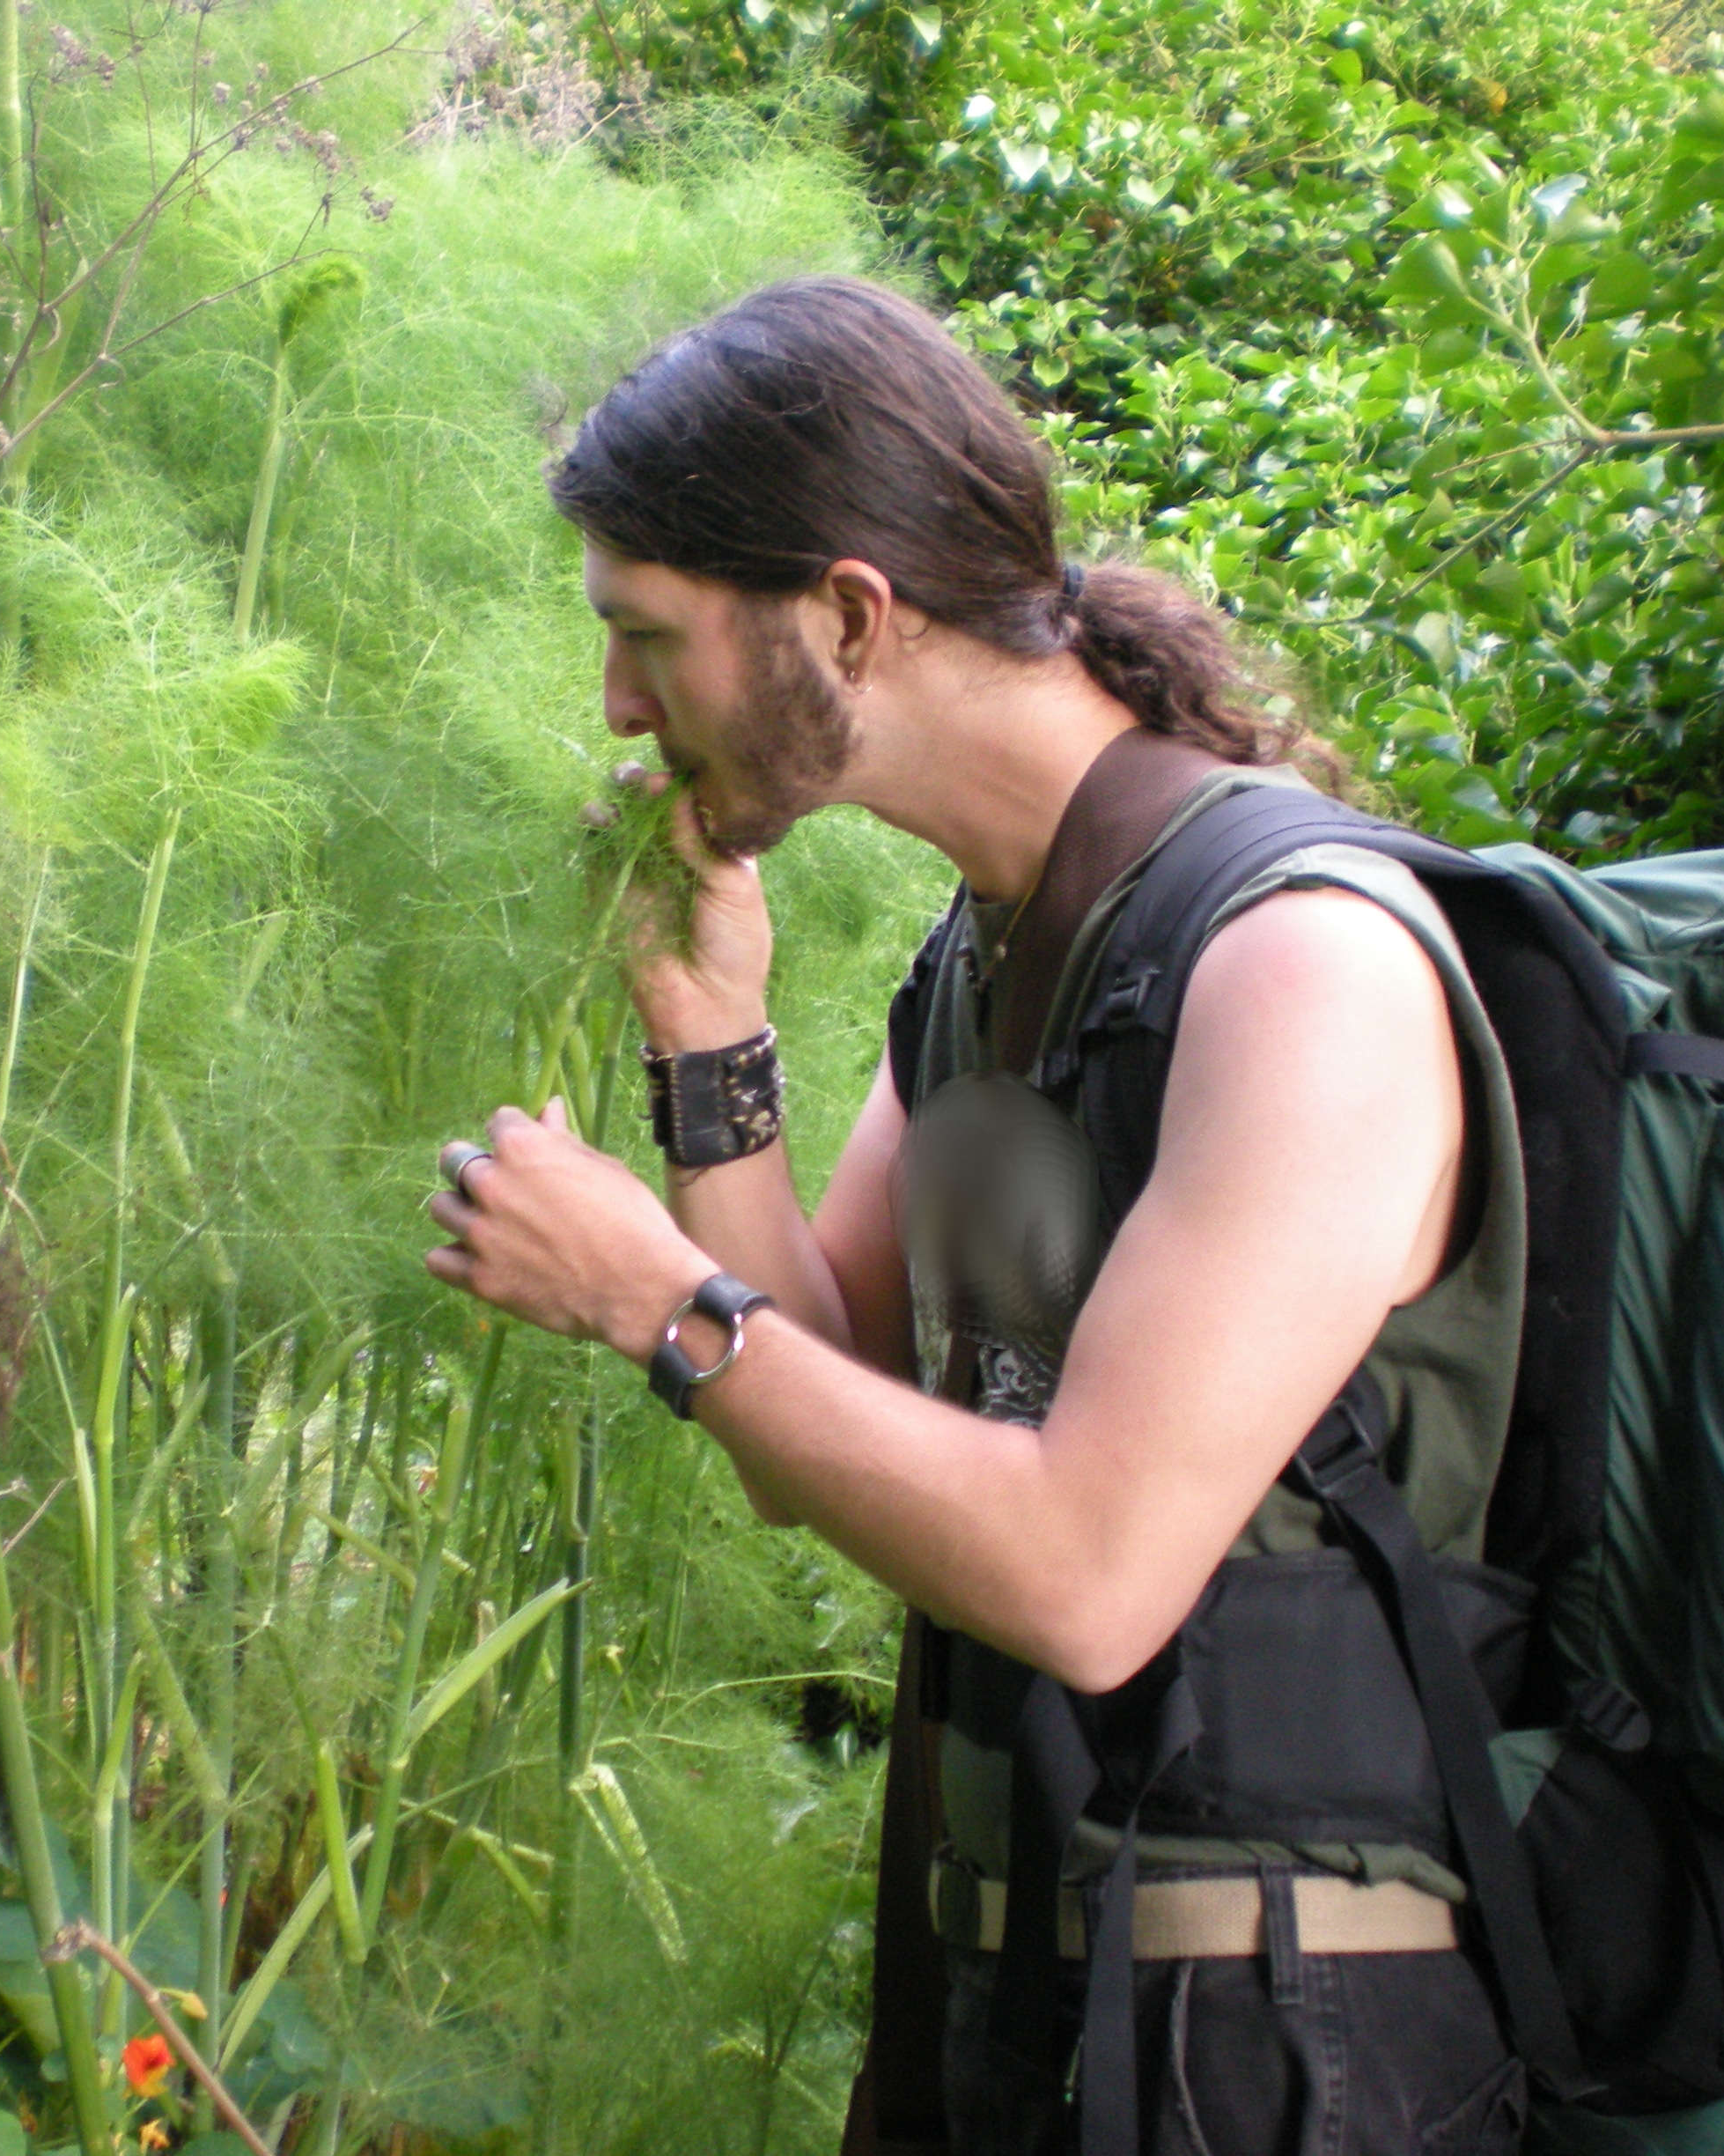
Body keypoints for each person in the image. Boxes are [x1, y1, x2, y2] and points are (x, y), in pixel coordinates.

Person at [421, 276, 1532, 2154]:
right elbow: (823, 1426)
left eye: (646, 635)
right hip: (1035, 1996)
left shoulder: (1297, 966)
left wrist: (648, 1303)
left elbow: (1085, 1579)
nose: (617, 704)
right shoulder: (992, 956)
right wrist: (712, 1051)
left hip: (1287, 2049)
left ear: (847, 615)